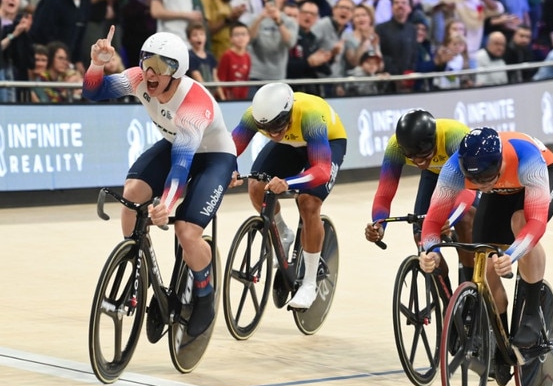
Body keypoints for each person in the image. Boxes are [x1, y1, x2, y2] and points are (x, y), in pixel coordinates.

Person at [82, 27, 237, 337]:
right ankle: (136, 263)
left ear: (176, 72)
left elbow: (181, 165)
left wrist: (166, 205)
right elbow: (93, 91)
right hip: (174, 141)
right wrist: (97, 64)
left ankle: (205, 295)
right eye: (146, 62)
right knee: (132, 193)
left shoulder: (192, 104)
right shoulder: (138, 79)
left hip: (213, 156)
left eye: (162, 66)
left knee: (186, 231)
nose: (151, 72)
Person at [418, 127, 553, 385]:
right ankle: (501, 340)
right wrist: (430, 251)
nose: (481, 187)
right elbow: (432, 222)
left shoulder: (526, 158)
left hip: (544, 176)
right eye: (475, 182)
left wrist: (511, 254)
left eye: (486, 179)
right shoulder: (454, 170)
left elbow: (537, 224)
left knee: (521, 222)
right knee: (485, 260)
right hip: (502, 190)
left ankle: (531, 313)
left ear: (499, 164)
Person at [230, 82, 347, 309]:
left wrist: (288, 182)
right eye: (268, 128)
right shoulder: (253, 117)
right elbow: (229, 149)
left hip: (328, 142)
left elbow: (321, 171)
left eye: (279, 125)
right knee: (256, 185)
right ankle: (283, 233)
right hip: (291, 144)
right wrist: (229, 170)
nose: (274, 133)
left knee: (308, 202)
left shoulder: (310, 115)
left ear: (289, 112)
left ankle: (309, 284)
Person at [365, 110, 475, 287]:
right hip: (433, 175)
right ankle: (447, 298)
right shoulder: (395, 147)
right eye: (411, 158)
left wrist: (451, 218)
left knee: (466, 219)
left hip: (465, 177)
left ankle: (470, 285)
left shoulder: (454, 137)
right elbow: (384, 194)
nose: (418, 162)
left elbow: (469, 189)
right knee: (420, 232)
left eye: (424, 156)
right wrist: (379, 225)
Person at [30, 0, 91, 74]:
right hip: (47, 59)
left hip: (68, 60)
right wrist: (55, 59)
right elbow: (41, 31)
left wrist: (77, 60)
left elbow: (80, 33)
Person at [186, 21, 225, 100]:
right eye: (195, 35)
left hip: (210, 96)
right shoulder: (190, 56)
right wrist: (208, 97)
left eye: (201, 34)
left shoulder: (210, 56)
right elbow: (199, 79)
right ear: (189, 39)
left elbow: (215, 78)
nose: (199, 37)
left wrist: (223, 98)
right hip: (196, 97)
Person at [217, 21, 251, 100]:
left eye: (243, 34)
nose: (240, 38)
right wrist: (224, 98)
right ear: (231, 39)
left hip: (242, 99)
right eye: (237, 35)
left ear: (248, 37)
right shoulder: (227, 56)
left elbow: (246, 80)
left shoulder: (247, 56)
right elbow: (221, 79)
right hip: (228, 99)